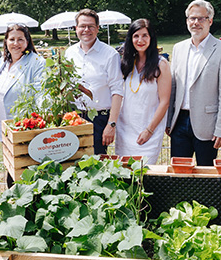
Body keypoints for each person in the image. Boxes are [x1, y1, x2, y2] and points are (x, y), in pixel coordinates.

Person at [166, 0, 221, 166]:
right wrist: (169, 121)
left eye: (201, 18)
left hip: (208, 126)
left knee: (206, 176)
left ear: (210, 21)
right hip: (179, 122)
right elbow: (173, 87)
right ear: (187, 21)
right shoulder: (178, 48)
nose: (195, 22)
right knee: (180, 175)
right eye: (192, 18)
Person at [0, 24, 45, 186]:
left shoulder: (36, 62)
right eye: (12, 39)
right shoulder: (4, 62)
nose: (16, 43)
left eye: (20, 39)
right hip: (6, 128)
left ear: (27, 42)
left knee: (22, 174)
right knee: (11, 169)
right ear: (6, 41)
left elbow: (41, 92)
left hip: (25, 129)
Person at [64, 9, 123, 155]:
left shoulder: (110, 55)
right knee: (72, 163)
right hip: (74, 118)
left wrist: (111, 124)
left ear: (97, 29)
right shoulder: (69, 53)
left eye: (91, 26)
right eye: (82, 26)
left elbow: (117, 90)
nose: (86, 30)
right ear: (76, 28)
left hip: (99, 120)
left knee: (95, 167)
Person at [114, 19, 171, 164]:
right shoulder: (126, 64)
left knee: (143, 175)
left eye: (145, 35)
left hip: (148, 132)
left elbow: (164, 102)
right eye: (136, 36)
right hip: (125, 131)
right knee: (124, 176)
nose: (140, 40)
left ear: (151, 38)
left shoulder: (161, 64)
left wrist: (149, 130)